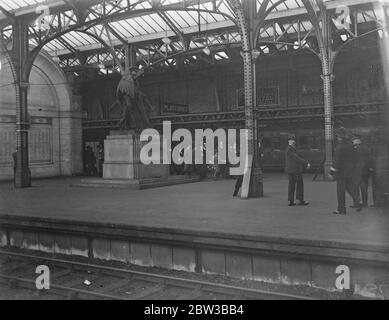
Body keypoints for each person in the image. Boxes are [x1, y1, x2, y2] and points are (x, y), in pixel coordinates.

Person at [330, 128, 362, 214]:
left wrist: (332, 172)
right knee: (349, 188)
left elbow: (336, 160)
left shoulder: (339, 147)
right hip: (351, 171)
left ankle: (341, 210)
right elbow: (355, 158)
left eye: (338, 136)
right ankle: (358, 202)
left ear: (340, 137)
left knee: (340, 191)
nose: (337, 138)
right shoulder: (351, 145)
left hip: (342, 173)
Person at [285, 135, 310, 206]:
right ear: (288, 141)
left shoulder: (292, 148)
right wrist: (306, 163)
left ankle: (292, 201)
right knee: (297, 185)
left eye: (294, 140)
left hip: (295, 170)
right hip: (293, 171)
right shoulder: (289, 149)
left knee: (294, 185)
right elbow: (296, 158)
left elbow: (298, 157)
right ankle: (298, 201)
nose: (293, 141)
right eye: (291, 140)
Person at [352, 136, 373, 207]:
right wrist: (370, 167)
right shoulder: (366, 149)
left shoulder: (353, 150)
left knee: (355, 188)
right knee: (364, 188)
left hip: (356, 172)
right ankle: (365, 203)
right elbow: (369, 159)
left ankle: (357, 203)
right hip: (364, 171)